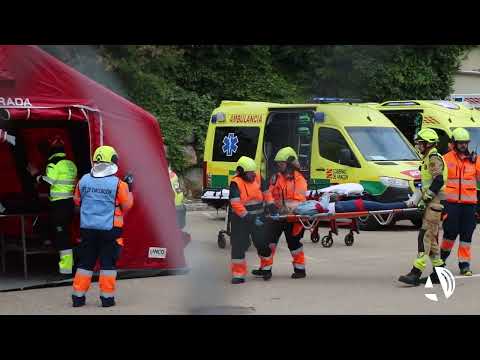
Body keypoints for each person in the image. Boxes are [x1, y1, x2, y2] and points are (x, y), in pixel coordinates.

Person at [71, 145, 133, 307]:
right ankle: (107, 299)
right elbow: (127, 205)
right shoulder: (119, 184)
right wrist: (130, 188)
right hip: (110, 232)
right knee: (107, 266)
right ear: (113, 161)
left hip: (87, 230)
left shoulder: (83, 180)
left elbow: (77, 201)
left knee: (85, 264)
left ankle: (78, 298)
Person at [398, 129, 448, 286]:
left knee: (424, 236)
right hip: (431, 203)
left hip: (435, 204)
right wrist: (417, 199)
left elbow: (438, 180)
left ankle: (415, 272)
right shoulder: (427, 159)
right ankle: (440, 272)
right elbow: (425, 184)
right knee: (431, 239)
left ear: (428, 144)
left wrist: (426, 198)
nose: (418, 146)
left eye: (420, 143)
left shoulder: (433, 158)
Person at [28, 136, 77, 275]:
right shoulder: (70, 164)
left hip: (59, 206)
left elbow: (47, 183)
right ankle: (69, 266)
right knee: (65, 235)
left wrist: (36, 174)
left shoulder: (53, 164)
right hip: (69, 204)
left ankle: (66, 270)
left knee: (62, 238)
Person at [257, 146, 308, 279]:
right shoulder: (276, 178)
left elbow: (300, 200)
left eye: (282, 163)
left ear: (290, 163)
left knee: (294, 244)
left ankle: (300, 270)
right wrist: (270, 205)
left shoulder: (299, 179)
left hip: (292, 218)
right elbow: (270, 193)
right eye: (278, 163)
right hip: (277, 217)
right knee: (269, 243)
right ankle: (265, 269)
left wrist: (286, 209)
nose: (279, 166)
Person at [440, 128, 480, 276]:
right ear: (454, 143)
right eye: (460, 143)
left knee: (466, 236)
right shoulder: (445, 159)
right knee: (449, 234)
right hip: (451, 204)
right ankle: (441, 261)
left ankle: (464, 264)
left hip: (470, 206)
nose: (463, 145)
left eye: (465, 143)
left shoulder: (474, 160)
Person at [229, 156, 273, 284]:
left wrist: (271, 206)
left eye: (253, 171)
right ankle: (238, 274)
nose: (253, 174)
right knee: (238, 246)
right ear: (242, 172)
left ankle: (266, 269)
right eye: (250, 172)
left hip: (259, 217)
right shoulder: (235, 183)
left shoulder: (258, 177)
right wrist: (250, 217)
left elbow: (267, 193)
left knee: (262, 243)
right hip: (241, 220)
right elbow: (236, 205)